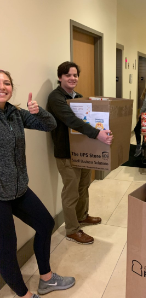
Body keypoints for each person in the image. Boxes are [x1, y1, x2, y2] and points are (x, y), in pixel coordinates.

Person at [0, 70, 75, 298]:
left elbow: (50, 125)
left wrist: (38, 111)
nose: (3, 87)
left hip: (19, 188)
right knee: (7, 248)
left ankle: (47, 279)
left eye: (6, 83)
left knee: (45, 223)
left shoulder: (15, 113)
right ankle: (23, 294)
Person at [47, 61, 113, 245]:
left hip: (82, 152)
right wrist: (97, 134)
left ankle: (82, 216)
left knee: (84, 186)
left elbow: (89, 119)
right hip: (66, 153)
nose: (73, 78)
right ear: (60, 77)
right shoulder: (56, 98)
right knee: (71, 192)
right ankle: (72, 229)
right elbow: (71, 120)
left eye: (75, 75)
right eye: (68, 75)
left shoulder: (79, 97)